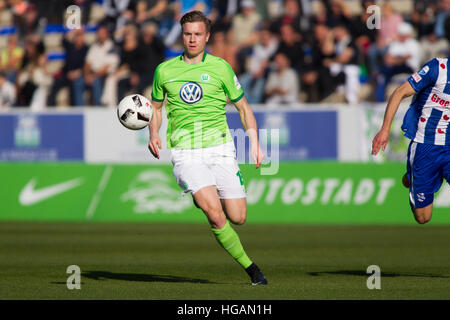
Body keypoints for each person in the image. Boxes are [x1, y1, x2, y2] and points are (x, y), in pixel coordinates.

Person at [148, 10, 267, 285]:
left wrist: (255, 143)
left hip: (221, 148)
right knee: (214, 213)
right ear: (182, 35)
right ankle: (253, 271)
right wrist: (153, 132)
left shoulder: (221, 68)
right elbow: (155, 107)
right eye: (188, 34)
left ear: (207, 36)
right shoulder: (164, 70)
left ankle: (201, 192)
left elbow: (243, 107)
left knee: (238, 217)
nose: (192, 39)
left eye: (198, 34)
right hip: (185, 152)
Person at [372, 56, 450, 224]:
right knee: (423, 217)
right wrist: (384, 130)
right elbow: (399, 92)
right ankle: (411, 175)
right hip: (426, 146)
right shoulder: (438, 68)